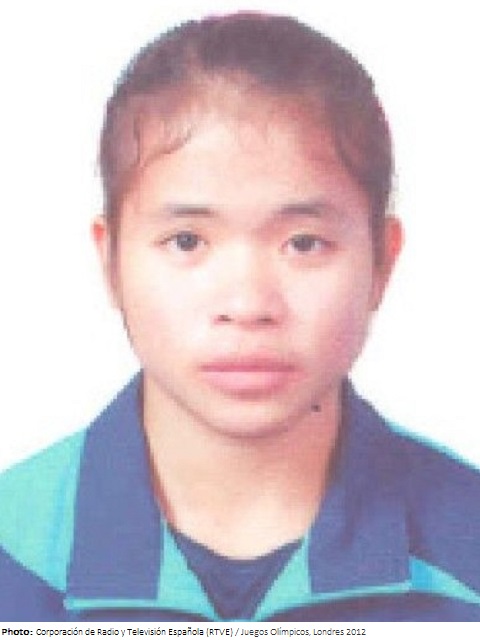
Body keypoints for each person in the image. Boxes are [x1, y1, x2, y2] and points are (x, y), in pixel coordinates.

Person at [0, 11, 479, 622]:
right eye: (187, 242)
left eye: (303, 243)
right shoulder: (15, 553)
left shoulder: (467, 547)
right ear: (110, 260)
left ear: (383, 261)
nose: (247, 305)